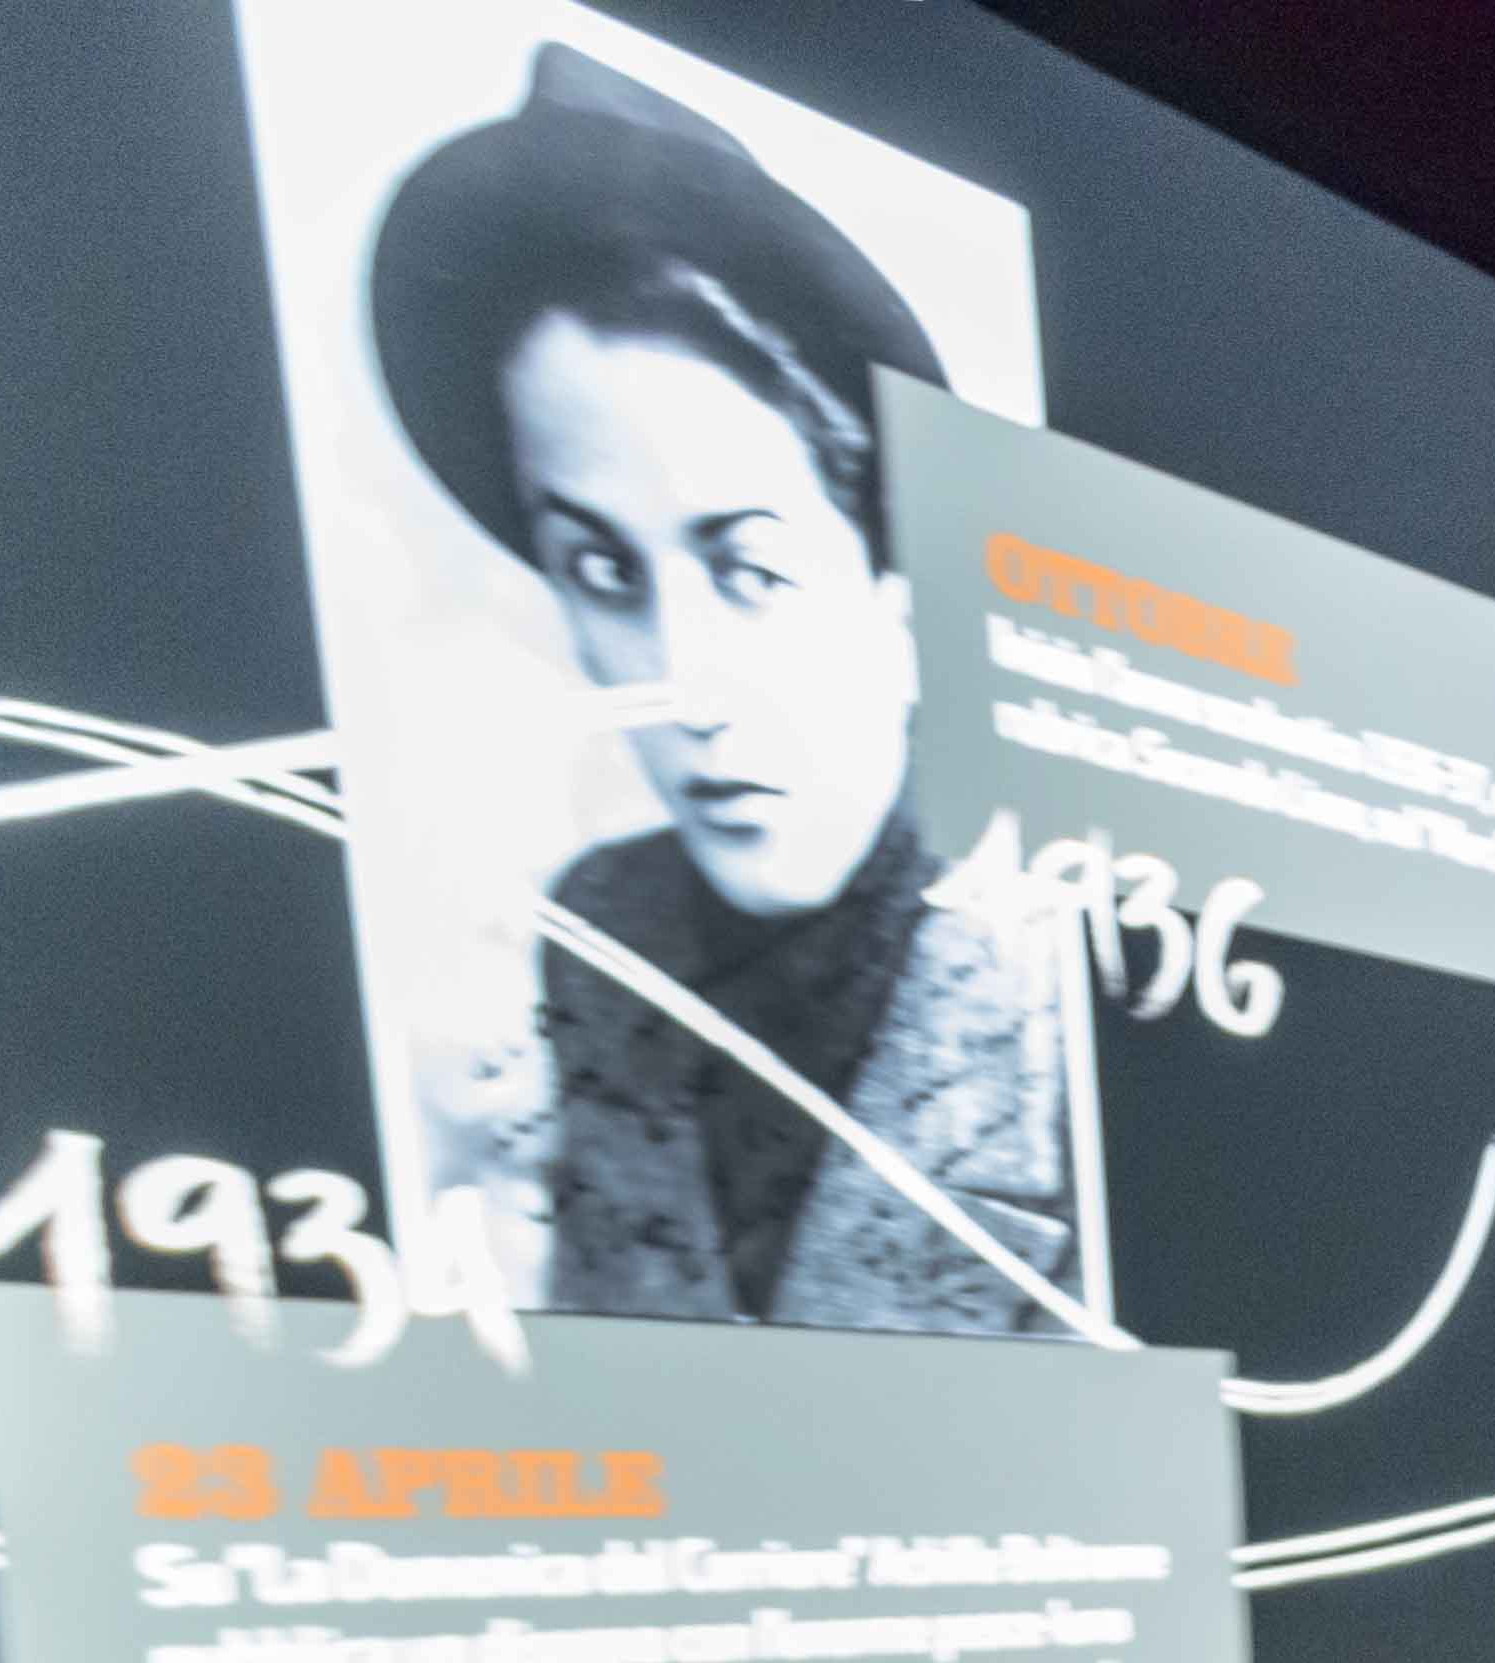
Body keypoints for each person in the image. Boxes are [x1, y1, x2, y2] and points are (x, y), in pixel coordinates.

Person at [367, 46, 1084, 1330]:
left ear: (889, 580)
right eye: (604, 571)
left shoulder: (1067, 983)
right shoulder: (598, 932)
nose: (678, 688)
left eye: (747, 568)